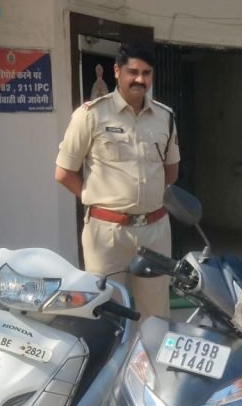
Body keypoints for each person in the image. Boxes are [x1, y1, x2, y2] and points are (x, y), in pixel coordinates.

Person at [55, 43, 178, 320]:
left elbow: (171, 171)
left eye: (146, 73)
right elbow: (64, 172)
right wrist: (98, 201)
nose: (140, 79)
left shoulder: (165, 117)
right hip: (107, 233)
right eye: (133, 72)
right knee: (106, 313)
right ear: (117, 71)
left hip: (155, 230)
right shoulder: (91, 115)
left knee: (156, 315)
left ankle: (150, 353)